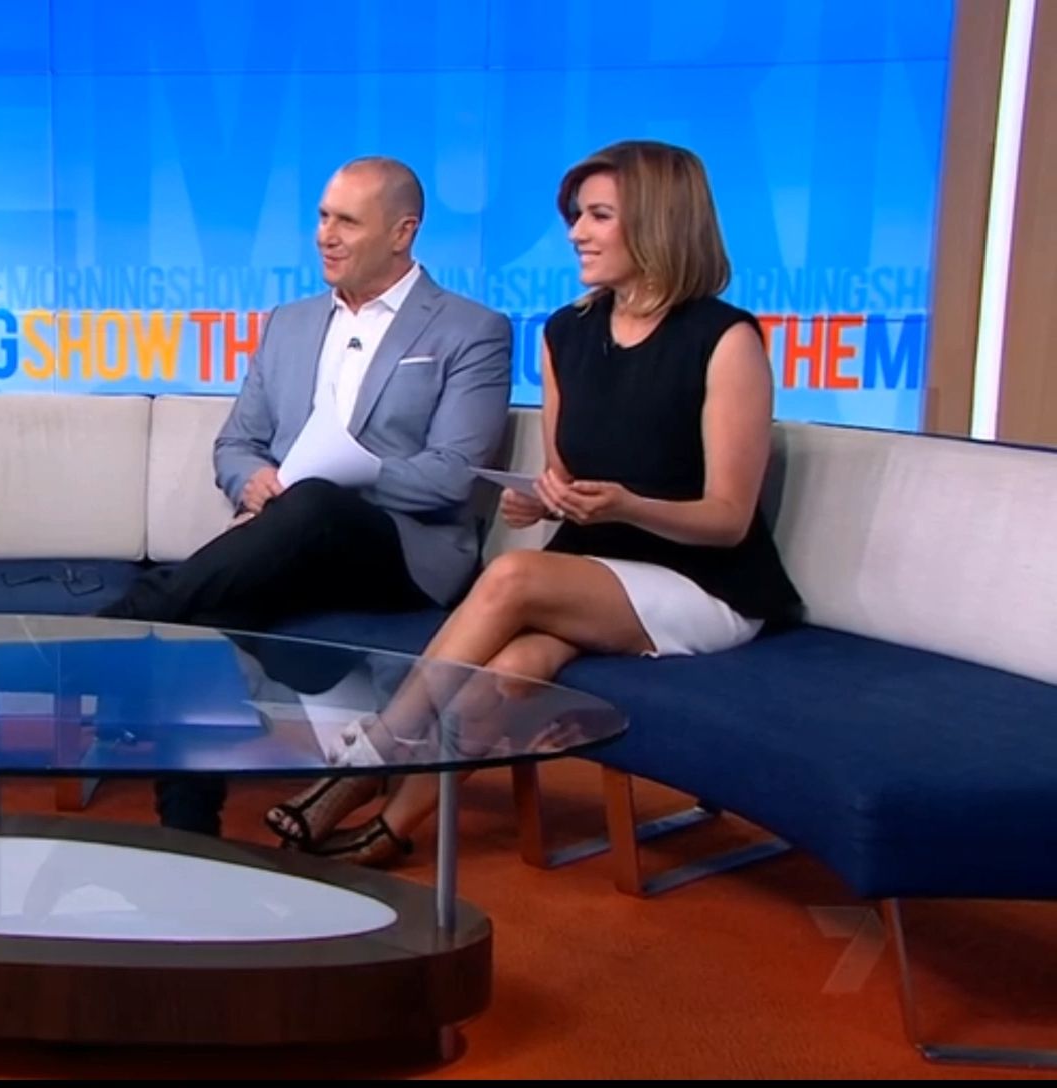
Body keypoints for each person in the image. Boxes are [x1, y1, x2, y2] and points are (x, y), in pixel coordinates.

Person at [269, 139, 805, 867]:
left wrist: (626, 506)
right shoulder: (566, 333)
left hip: (705, 582)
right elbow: (567, 478)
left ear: (659, 221)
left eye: (598, 215)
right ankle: (391, 829)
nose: (577, 232)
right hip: (594, 574)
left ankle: (376, 751)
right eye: (576, 215)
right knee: (511, 669)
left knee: (516, 577)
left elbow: (728, 519)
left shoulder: (725, 339)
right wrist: (543, 502)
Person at [95, 155, 514, 835]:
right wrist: (252, 480)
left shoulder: (471, 329)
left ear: (402, 232)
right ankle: (186, 829)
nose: (325, 235)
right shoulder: (288, 323)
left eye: (347, 221)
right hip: (293, 539)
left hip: (400, 552)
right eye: (322, 217)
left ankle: (109, 631)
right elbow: (237, 443)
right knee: (197, 621)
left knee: (316, 502)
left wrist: (345, 474)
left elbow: (452, 476)